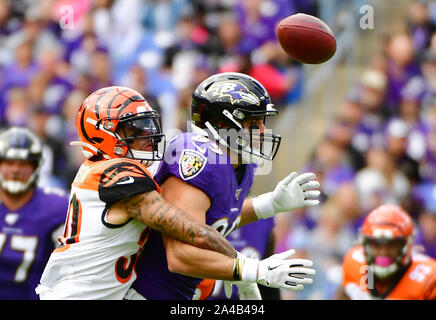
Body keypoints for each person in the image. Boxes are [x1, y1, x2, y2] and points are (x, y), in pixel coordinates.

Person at [36, 86, 242, 300]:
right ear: (102, 133)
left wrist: (266, 205)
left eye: (147, 125)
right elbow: (193, 231)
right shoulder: (117, 174)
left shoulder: (102, 169)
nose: (147, 135)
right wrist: (247, 268)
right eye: (134, 130)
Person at [133, 72, 320, 300]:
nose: (263, 131)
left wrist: (268, 205)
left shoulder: (241, 165)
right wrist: (251, 270)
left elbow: (215, 222)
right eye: (253, 123)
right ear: (221, 124)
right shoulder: (199, 158)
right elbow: (179, 255)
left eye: (263, 122)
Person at [0, 127, 69, 300]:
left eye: (24, 164)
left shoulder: (56, 207)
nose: (16, 170)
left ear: (36, 167)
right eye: (9, 162)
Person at [336, 204, 436, 300]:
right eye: (376, 244)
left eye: (392, 245)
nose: (383, 252)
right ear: (365, 245)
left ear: (407, 245)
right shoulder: (355, 265)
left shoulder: (428, 280)